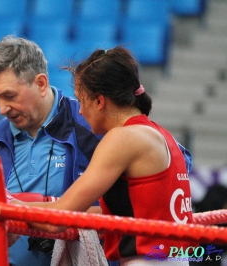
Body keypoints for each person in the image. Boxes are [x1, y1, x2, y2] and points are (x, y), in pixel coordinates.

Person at [23, 46, 196, 266]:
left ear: (99, 101)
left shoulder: (122, 139)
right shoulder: (160, 134)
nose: (81, 111)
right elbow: (118, 212)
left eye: (81, 100)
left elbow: (58, 219)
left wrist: (4, 208)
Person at [0, 36, 102, 266]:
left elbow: (125, 206)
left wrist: (34, 210)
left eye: (9, 96)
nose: (2, 108)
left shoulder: (91, 126)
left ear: (41, 83)